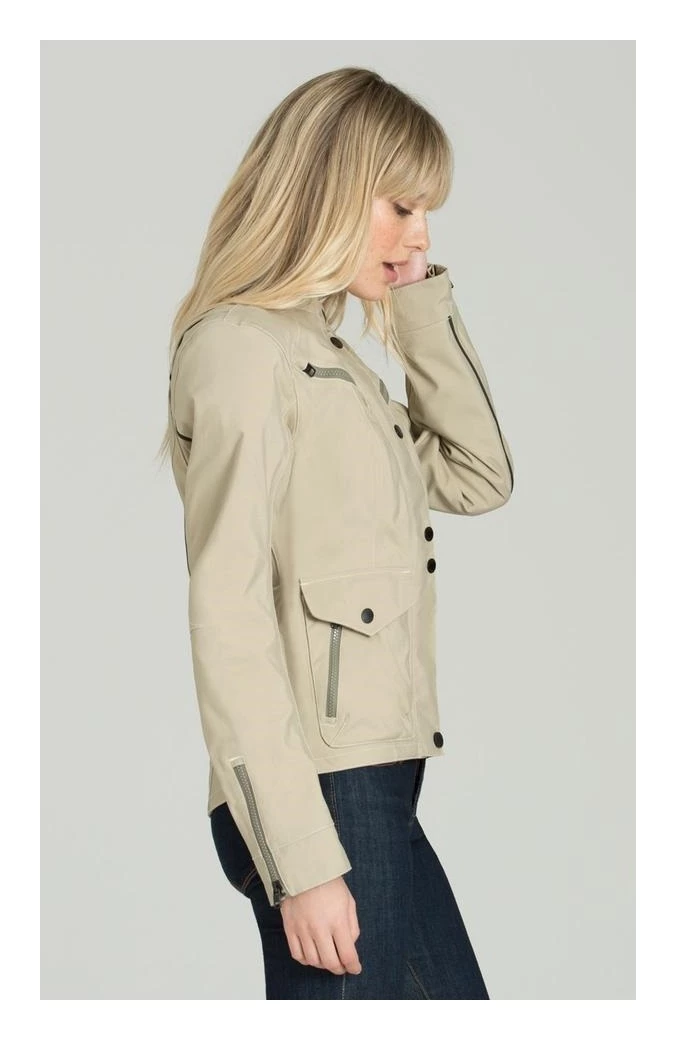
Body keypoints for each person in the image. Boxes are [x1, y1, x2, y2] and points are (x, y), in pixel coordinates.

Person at [157, 66, 514, 999]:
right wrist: (302, 858)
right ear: (328, 189)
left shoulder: (335, 367)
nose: (420, 234)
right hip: (318, 791)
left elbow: (479, 474)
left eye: (427, 213)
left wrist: (417, 303)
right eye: (401, 206)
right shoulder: (242, 350)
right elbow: (228, 614)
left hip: (377, 782)